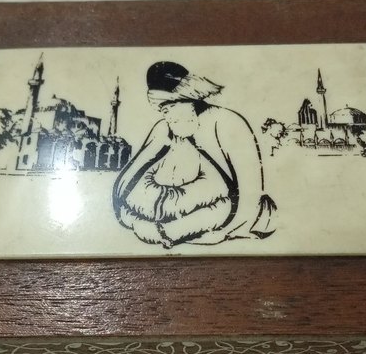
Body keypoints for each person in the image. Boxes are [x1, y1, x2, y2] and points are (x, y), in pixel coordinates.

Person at [113, 61, 276, 248]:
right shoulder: (163, 127)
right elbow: (126, 183)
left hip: (220, 214)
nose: (168, 116)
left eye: (169, 107)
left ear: (187, 98)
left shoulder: (227, 122)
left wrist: (220, 232)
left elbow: (250, 193)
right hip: (163, 214)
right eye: (162, 110)